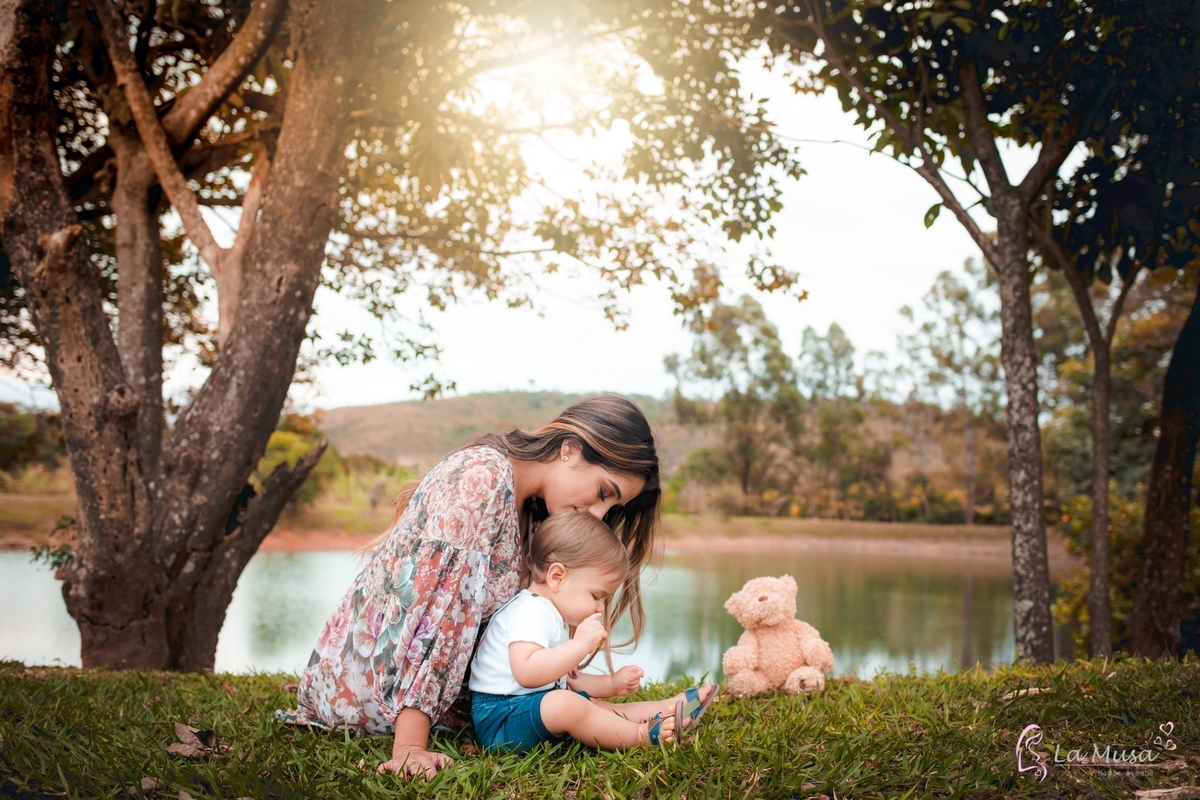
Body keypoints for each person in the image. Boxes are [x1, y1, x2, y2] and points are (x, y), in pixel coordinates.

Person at [283, 394, 696, 778]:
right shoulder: (481, 476)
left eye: (613, 507)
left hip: (473, 699)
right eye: (604, 492)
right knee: (559, 708)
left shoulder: (537, 512)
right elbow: (435, 615)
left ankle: (661, 712)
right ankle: (650, 722)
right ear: (570, 447)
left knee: (564, 705)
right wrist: (409, 747)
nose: (599, 513)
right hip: (373, 695)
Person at [470, 511, 718, 753]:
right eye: (596, 596)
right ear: (557, 577)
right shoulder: (530, 611)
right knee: (568, 704)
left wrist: (610, 683)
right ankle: (640, 736)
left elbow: (567, 679)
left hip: (527, 708)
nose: (600, 607)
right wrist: (578, 646)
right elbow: (526, 672)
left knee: (594, 706)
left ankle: (667, 708)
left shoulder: (551, 615)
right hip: (500, 719)